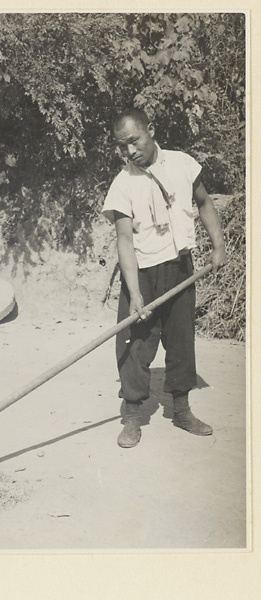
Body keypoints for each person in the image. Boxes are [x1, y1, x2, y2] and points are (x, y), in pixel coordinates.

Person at [102, 108, 226, 448]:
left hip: (179, 269)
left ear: (151, 131)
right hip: (141, 273)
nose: (129, 152)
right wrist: (134, 293)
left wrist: (218, 246)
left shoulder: (183, 164)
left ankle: (181, 410)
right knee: (135, 342)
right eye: (121, 145)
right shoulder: (123, 184)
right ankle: (131, 416)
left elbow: (204, 204)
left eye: (134, 141)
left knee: (181, 338)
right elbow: (124, 240)